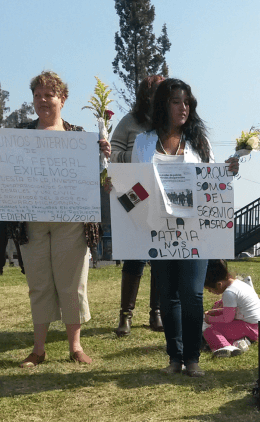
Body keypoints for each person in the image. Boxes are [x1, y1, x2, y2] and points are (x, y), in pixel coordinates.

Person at [0, 71, 111, 367]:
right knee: (39, 283)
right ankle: (38, 349)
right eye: (38, 95)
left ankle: (75, 347)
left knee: (73, 283)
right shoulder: (19, 134)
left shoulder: (79, 137)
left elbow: (98, 176)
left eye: (49, 95)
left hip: (71, 221)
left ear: (63, 99)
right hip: (30, 222)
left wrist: (102, 156)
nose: (43, 100)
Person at [131, 78, 239, 377]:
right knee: (168, 295)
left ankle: (192, 358)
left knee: (192, 293)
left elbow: (211, 184)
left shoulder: (199, 143)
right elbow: (136, 184)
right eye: (176, 102)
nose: (183, 108)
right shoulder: (143, 142)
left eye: (187, 103)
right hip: (158, 229)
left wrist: (228, 173)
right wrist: (118, 189)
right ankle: (174, 358)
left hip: (196, 230)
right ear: (163, 105)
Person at [110, 74, 164, 336]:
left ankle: (157, 313)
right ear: (146, 96)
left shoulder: (170, 123)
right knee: (135, 253)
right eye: (156, 94)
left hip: (162, 195)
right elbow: (112, 154)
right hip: (134, 191)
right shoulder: (129, 122)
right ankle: (126, 315)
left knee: (160, 255)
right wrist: (140, 154)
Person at [203, 259, 260, 358]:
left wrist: (210, 319)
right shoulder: (238, 284)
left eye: (210, 290)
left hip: (249, 327)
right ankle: (240, 342)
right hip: (256, 327)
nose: (210, 292)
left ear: (219, 284)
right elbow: (235, 310)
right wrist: (215, 312)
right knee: (218, 324)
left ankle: (226, 347)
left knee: (209, 331)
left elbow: (227, 319)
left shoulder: (229, 293)